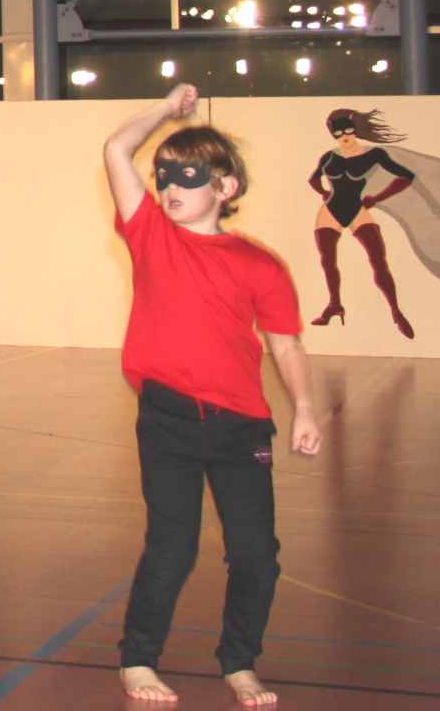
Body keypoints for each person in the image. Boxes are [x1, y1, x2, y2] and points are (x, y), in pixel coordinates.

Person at [101, 86, 319, 709]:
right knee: (172, 547)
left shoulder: (261, 265)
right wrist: (167, 108)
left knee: (256, 555)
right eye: (164, 174)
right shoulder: (151, 235)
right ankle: (138, 659)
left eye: (188, 176)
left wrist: (303, 409)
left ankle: (240, 664)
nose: (171, 186)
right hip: (167, 418)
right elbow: (116, 148)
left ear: (225, 187)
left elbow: (286, 346)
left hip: (241, 426)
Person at [308, 108, 417, 337]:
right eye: (338, 133)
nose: (344, 136)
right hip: (330, 211)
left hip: (358, 209)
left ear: (355, 130)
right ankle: (334, 305)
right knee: (328, 261)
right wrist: (323, 192)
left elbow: (406, 176)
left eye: (348, 131)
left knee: (378, 261)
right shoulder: (329, 156)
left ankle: (396, 311)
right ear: (333, 134)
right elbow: (314, 178)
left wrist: (377, 198)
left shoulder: (373, 154)